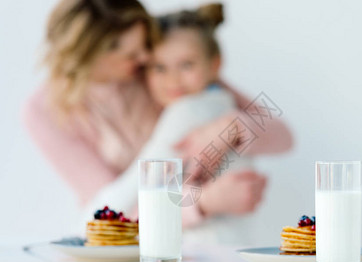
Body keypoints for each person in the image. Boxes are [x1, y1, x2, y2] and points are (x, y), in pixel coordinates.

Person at [21, 0, 293, 235]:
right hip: (132, 242)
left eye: (143, 46)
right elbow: (116, 214)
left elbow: (283, 136)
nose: (145, 56)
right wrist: (202, 203)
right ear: (90, 53)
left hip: (201, 241)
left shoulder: (164, 71)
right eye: (130, 53)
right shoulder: (45, 112)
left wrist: (232, 127)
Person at [85, 4, 258, 244]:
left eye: (186, 65)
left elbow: (131, 192)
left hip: (200, 248)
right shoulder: (223, 104)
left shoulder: (188, 111)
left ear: (215, 65)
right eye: (160, 68)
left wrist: (92, 219)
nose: (173, 79)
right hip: (226, 243)